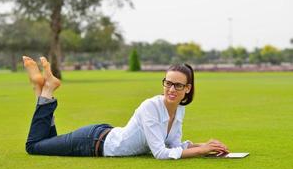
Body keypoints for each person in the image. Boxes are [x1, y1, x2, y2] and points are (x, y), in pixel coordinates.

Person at [23, 56, 228, 160]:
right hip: (91, 142)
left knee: (46, 141)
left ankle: (41, 90)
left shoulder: (178, 109)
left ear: (187, 89)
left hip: (102, 135)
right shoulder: (151, 106)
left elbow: (172, 145)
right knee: (34, 146)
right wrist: (202, 150)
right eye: (168, 83)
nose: (171, 89)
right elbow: (160, 153)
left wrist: (206, 146)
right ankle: (45, 89)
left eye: (178, 85)